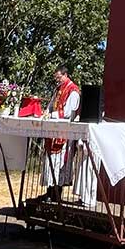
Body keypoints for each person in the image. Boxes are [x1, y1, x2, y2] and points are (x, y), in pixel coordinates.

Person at [42, 68, 84, 203]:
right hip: (53, 131)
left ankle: (56, 193)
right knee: (50, 162)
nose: (57, 80)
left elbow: (68, 112)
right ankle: (48, 191)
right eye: (56, 78)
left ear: (66, 75)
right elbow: (51, 105)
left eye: (59, 77)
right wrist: (46, 112)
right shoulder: (58, 89)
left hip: (64, 133)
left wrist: (52, 114)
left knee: (59, 163)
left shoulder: (73, 91)